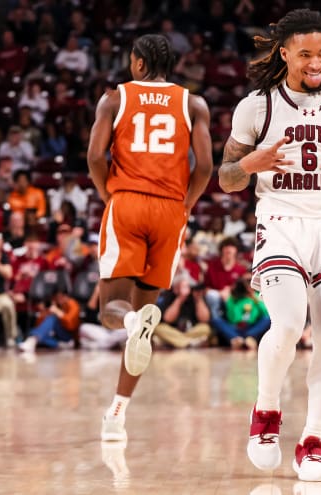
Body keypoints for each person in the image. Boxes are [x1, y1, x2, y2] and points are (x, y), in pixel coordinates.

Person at [217, 9, 321, 482]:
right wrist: (252, 163)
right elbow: (225, 180)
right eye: (305, 53)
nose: (316, 62)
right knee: (287, 324)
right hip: (280, 220)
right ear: (283, 53)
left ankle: (313, 441)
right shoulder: (256, 106)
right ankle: (266, 414)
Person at [87, 34, 213, 443]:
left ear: (139, 64)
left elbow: (94, 156)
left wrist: (109, 194)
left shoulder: (114, 98)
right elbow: (205, 166)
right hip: (170, 211)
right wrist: (187, 204)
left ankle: (128, 321)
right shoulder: (192, 103)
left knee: (113, 312)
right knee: (145, 313)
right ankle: (117, 414)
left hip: (127, 203)